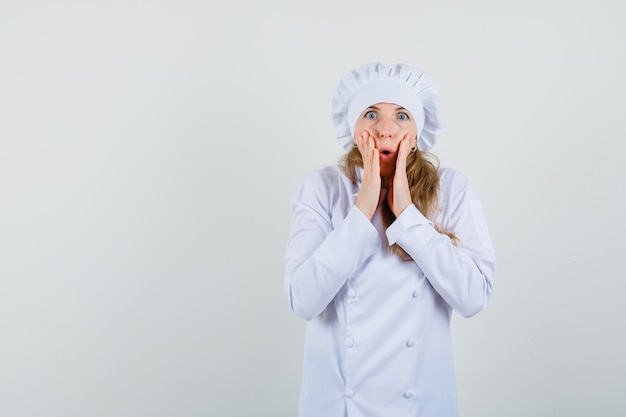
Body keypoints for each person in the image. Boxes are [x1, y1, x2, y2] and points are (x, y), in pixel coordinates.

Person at [283, 62, 496, 417]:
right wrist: (362, 209)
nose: (385, 130)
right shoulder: (322, 188)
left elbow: (473, 297)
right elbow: (303, 300)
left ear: (417, 132)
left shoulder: (452, 189)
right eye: (371, 114)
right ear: (352, 129)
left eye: (401, 116)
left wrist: (408, 217)